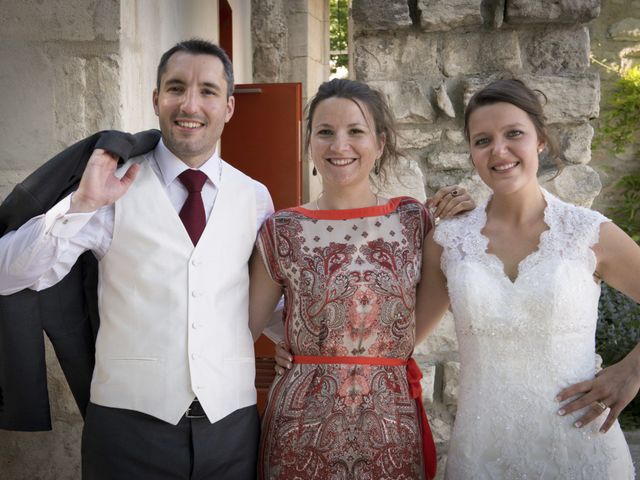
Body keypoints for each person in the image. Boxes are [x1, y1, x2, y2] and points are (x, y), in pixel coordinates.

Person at [0, 39, 273, 479]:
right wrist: (82, 204)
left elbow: (268, 301)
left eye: (207, 91)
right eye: (176, 87)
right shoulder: (110, 187)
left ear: (229, 107)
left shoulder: (256, 198)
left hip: (233, 429)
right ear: (156, 99)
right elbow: (8, 273)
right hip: (127, 432)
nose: (189, 103)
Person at [248, 78, 475, 480]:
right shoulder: (282, 229)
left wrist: (469, 216)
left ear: (380, 143)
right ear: (310, 142)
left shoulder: (412, 220)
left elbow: (422, 315)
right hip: (300, 426)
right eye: (325, 132)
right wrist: (295, 349)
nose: (339, 146)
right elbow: (244, 327)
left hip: (389, 419)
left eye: (355, 131)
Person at [417, 78, 637, 478]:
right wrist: (303, 348)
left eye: (514, 134)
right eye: (482, 140)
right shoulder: (449, 240)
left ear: (540, 140)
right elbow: (400, 337)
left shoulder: (587, 232)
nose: (498, 150)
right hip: (483, 455)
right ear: (471, 152)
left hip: (581, 453)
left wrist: (632, 371)